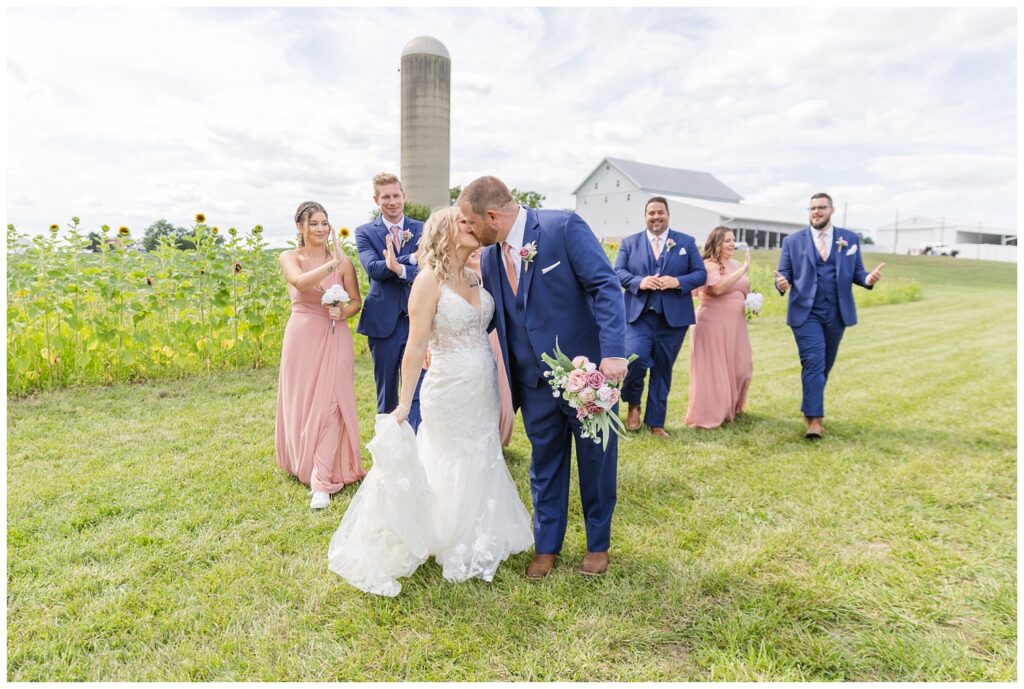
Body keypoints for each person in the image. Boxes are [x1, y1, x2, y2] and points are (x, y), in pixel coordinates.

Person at [328, 207, 532, 596]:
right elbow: (415, 344)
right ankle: (444, 531)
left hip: (482, 384)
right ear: (445, 232)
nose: (473, 228)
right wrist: (404, 403)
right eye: (464, 223)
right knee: (449, 454)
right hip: (448, 386)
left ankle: (480, 528)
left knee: (483, 451)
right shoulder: (428, 281)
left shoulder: (475, 275)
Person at [459, 176, 628, 579]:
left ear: (492, 216)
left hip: (584, 376)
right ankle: (547, 546)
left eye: (469, 222)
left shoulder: (562, 227)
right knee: (544, 465)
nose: (467, 229)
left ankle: (597, 544)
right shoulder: (489, 257)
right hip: (533, 383)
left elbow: (605, 286)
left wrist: (615, 353)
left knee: (596, 463)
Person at [276, 201, 366, 509]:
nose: (321, 229)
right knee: (303, 402)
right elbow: (300, 282)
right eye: (313, 223)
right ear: (300, 227)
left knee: (332, 405)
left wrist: (344, 313)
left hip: (334, 335)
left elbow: (356, 300)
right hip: (302, 337)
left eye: (324, 223)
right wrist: (332, 264)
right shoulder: (290, 257)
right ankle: (303, 459)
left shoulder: (344, 263)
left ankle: (321, 481)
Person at [775, 193, 885, 439]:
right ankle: (815, 420)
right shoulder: (793, 241)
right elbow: (783, 273)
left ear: (831, 210)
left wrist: (868, 279)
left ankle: (809, 407)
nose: (816, 211)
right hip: (806, 312)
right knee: (813, 361)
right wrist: (781, 283)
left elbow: (858, 272)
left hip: (837, 312)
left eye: (821, 207)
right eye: (812, 208)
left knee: (825, 364)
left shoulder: (849, 238)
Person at [614, 197, 706, 438]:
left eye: (660, 213)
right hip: (639, 316)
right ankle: (633, 404)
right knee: (635, 360)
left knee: (663, 369)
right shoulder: (629, 243)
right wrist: (639, 281)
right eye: (651, 213)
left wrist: (678, 282)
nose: (656, 217)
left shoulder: (685, 242)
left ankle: (656, 422)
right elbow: (618, 272)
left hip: (672, 321)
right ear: (645, 216)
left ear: (668, 214)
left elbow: (700, 274)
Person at [355, 173, 426, 430]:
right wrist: (412, 260)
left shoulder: (423, 228)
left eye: (396, 195)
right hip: (382, 321)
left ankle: (418, 442)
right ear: (377, 199)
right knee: (386, 391)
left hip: (418, 318)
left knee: (419, 387)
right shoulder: (364, 232)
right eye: (386, 196)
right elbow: (373, 268)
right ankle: (388, 448)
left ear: (404, 196)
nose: (392, 201)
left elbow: (431, 269)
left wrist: (400, 266)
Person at [684, 227, 753, 429]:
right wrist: (744, 268)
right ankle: (709, 413)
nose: (732, 244)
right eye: (727, 241)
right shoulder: (709, 266)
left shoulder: (736, 264)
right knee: (713, 371)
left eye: (733, 240)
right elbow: (717, 289)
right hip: (711, 324)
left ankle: (733, 405)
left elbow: (743, 289)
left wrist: (751, 302)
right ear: (717, 244)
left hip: (736, 325)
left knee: (743, 368)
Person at [467, 246, 515, 448]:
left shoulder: (496, 261)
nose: (477, 248)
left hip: (498, 332)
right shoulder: (456, 269)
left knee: (503, 389)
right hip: (471, 337)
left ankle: (498, 436)